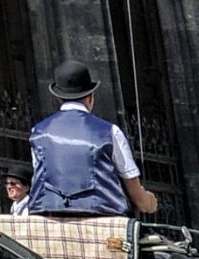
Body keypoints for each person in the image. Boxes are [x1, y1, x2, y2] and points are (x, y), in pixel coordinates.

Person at [20, 59, 159, 215]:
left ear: (59, 98)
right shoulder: (109, 132)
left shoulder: (38, 132)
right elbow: (136, 195)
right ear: (90, 97)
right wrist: (149, 202)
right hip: (102, 223)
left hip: (50, 222)